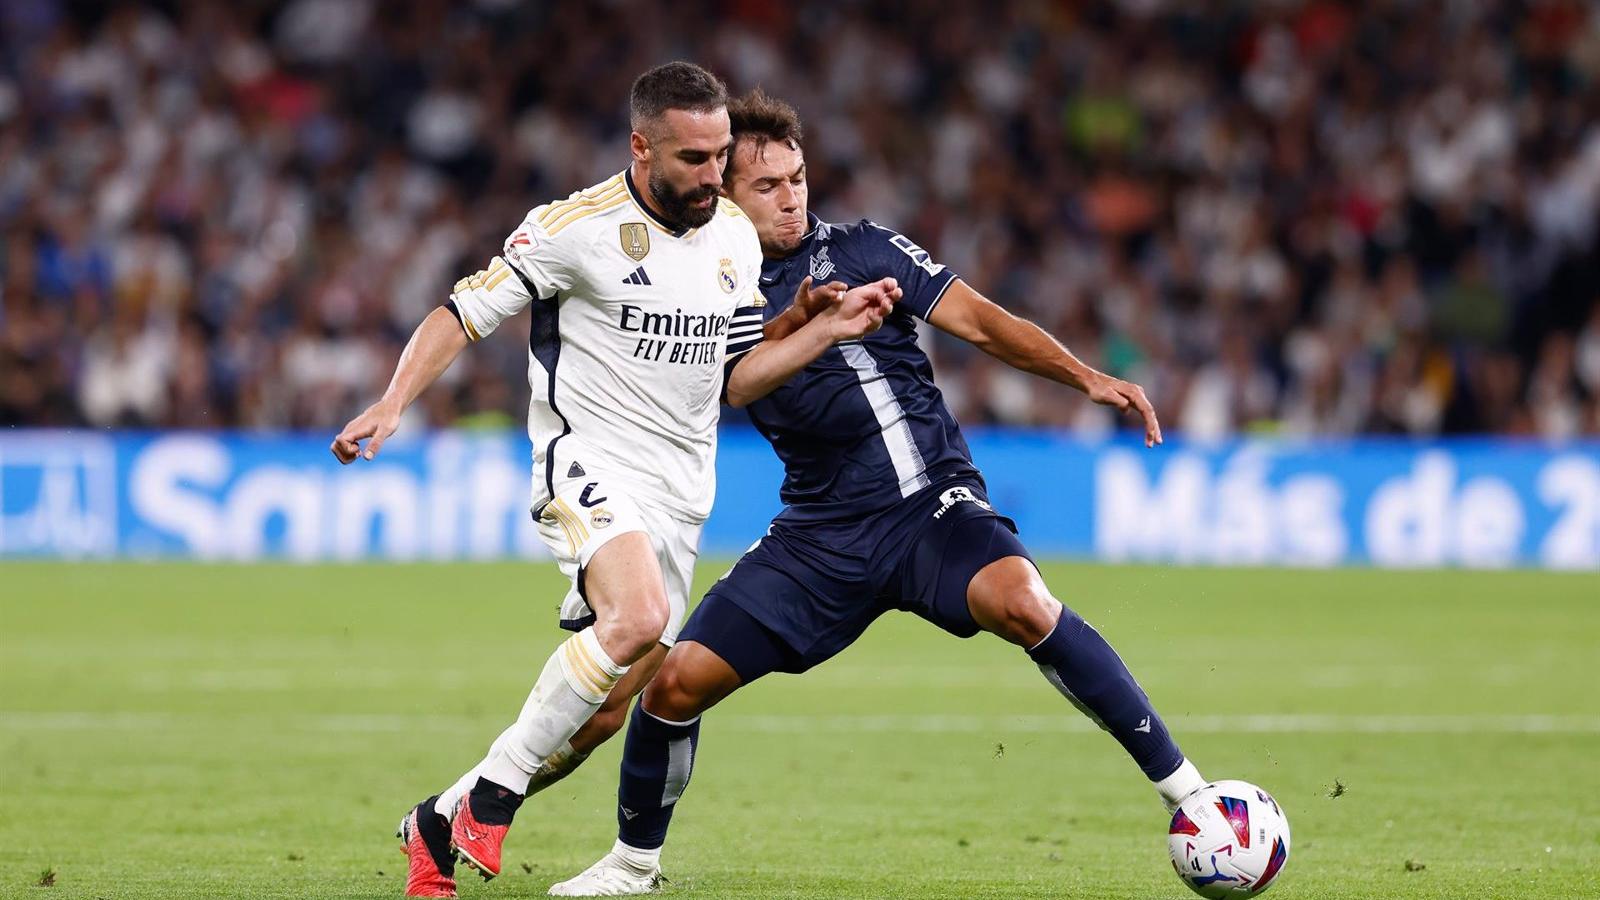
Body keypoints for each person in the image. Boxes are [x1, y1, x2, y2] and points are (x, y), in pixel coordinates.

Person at [545, 89, 1208, 896]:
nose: (791, 197)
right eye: (768, 186)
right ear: (721, 193)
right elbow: (730, 387)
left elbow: (985, 322)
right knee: (674, 682)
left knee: (1025, 601)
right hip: (819, 533)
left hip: (929, 503)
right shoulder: (702, 289)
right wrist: (798, 323)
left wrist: (1086, 376)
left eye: (798, 178)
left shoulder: (864, 249)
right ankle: (632, 864)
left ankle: (1194, 799)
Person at [331, 67, 898, 899]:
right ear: (641, 147)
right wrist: (392, 402)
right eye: (695, 159)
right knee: (638, 618)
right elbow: (461, 314)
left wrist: (809, 323)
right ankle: (494, 796)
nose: (715, 177)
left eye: (721, 156)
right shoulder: (575, 229)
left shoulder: (733, 238)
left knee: (600, 714)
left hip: (680, 489)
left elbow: (734, 367)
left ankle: (439, 820)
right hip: (586, 458)